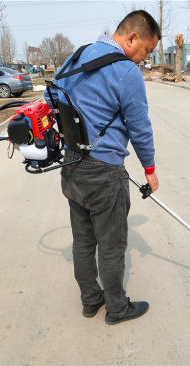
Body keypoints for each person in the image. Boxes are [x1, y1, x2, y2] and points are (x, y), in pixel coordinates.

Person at [44, 10, 160, 325]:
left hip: (71, 167)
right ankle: (117, 308)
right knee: (111, 244)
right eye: (147, 51)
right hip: (105, 175)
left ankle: (90, 301)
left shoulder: (76, 56)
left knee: (83, 241)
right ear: (132, 37)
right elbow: (140, 128)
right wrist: (149, 169)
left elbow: (49, 96)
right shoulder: (126, 71)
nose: (144, 58)